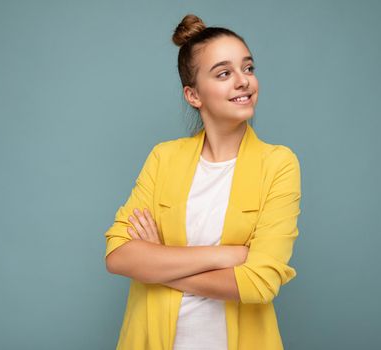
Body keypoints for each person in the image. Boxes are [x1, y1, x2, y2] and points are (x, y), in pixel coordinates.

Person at [104, 14, 302, 350]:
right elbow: (119, 256)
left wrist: (157, 264)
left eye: (248, 68)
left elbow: (259, 283)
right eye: (224, 73)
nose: (243, 81)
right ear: (193, 95)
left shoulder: (278, 164)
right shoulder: (164, 158)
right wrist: (228, 255)